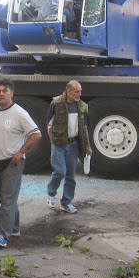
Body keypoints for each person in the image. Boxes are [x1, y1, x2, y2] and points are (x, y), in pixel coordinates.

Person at [0, 78, 41, 248]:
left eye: (5, 91)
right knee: (5, 198)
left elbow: (36, 134)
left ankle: (3, 234)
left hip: (12, 163)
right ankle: (14, 228)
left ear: (11, 93)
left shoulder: (20, 113)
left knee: (7, 200)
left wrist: (20, 152)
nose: (1, 94)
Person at [46, 80, 92, 214]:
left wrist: (88, 146)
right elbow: (49, 125)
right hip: (59, 144)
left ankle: (66, 202)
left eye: (80, 91)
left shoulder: (82, 106)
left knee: (71, 175)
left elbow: (85, 128)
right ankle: (51, 192)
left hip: (74, 144)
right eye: (77, 91)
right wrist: (53, 142)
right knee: (60, 171)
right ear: (69, 91)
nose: (79, 94)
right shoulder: (56, 104)